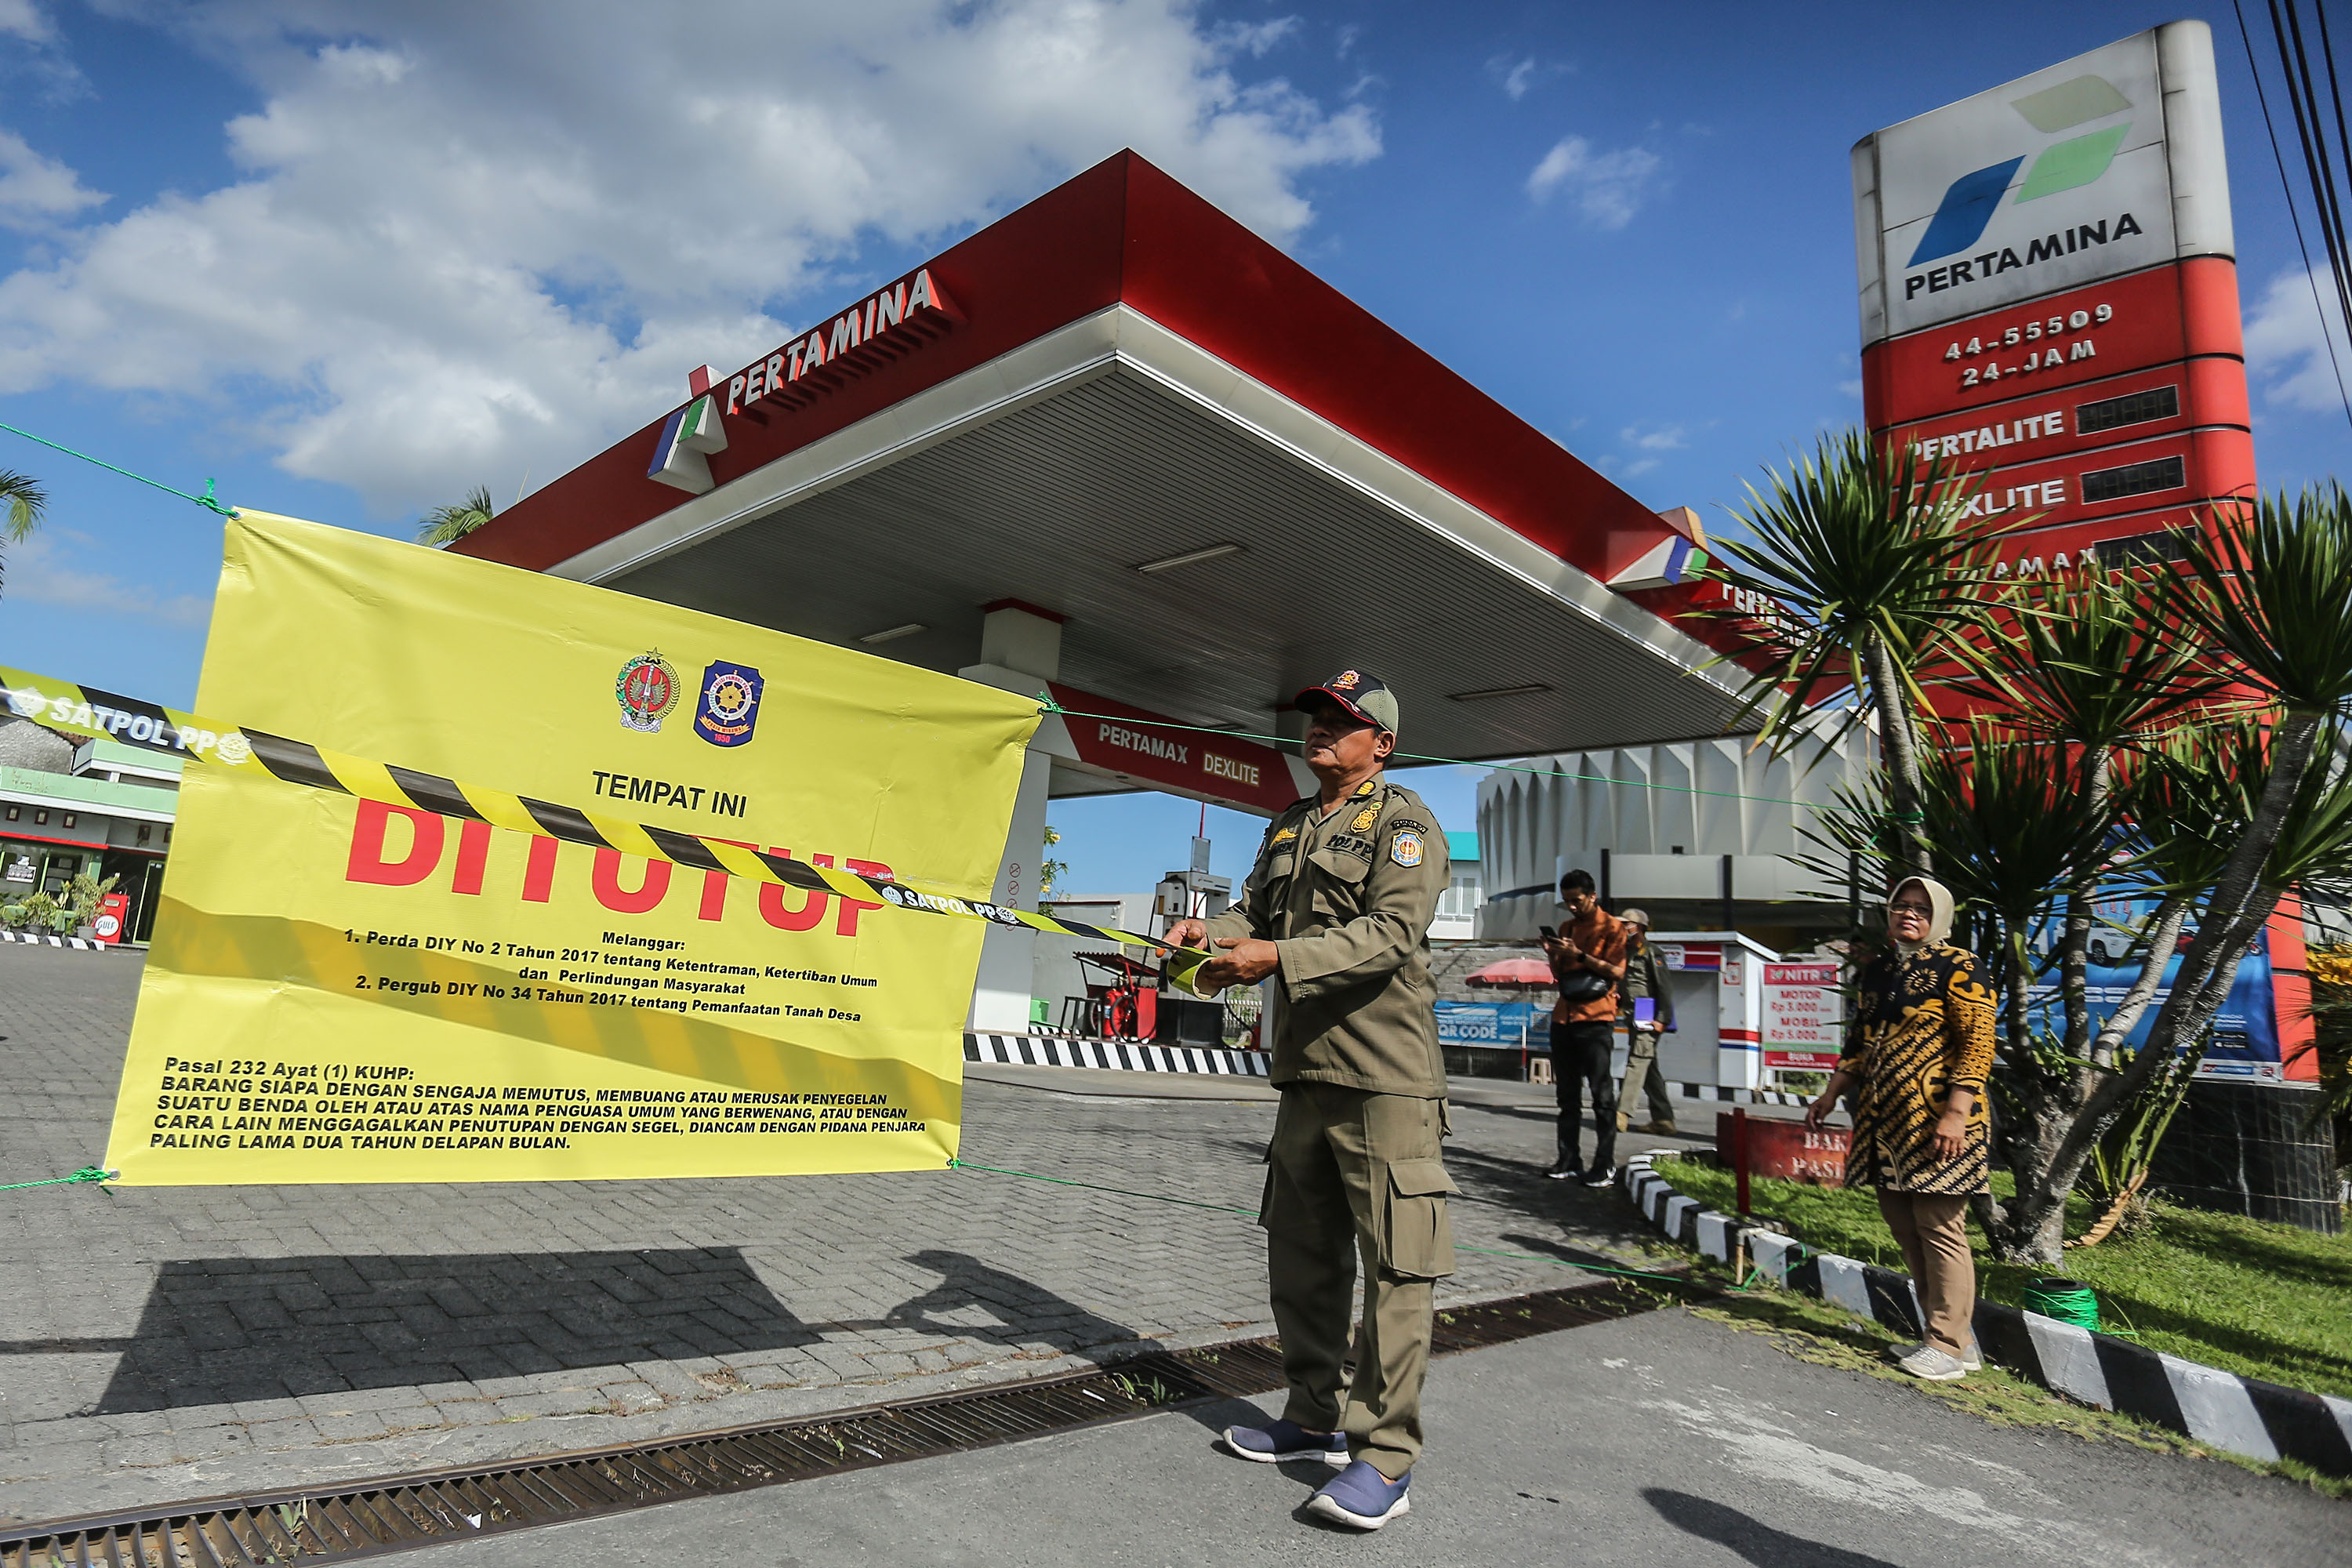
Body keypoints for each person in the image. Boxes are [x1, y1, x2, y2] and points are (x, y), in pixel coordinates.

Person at [1163, 670, 1450, 1532]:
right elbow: (1253, 915)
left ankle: (1385, 1456)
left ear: (1382, 745)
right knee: (1302, 1252)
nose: (1321, 728)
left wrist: (1275, 959)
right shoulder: (1289, 823)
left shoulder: (1404, 823)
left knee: (1397, 1266)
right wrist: (1208, 932)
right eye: (1316, 717)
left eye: (1341, 720)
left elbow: (1392, 933)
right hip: (1304, 1074)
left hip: (1385, 1074)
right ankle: (1310, 1415)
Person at [1804, 876, 1997, 1381]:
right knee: (1906, 1228)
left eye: (1921, 908)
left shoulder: (1960, 966)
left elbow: (1978, 1045)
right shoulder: (1880, 969)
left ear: (1940, 916)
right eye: (1901, 906)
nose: (1909, 914)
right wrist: (1831, 1093)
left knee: (1940, 1227)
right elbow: (1859, 1040)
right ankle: (1955, 1338)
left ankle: (1946, 1345)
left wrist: (1955, 1115)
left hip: (1940, 1121)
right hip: (1886, 1124)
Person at [1541, 869, 1626, 1186]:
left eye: (1577, 900)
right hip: (1564, 1016)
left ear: (1593, 896)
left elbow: (1617, 971)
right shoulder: (1566, 928)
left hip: (1596, 1018)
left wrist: (1579, 954)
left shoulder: (1613, 927)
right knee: (1567, 1096)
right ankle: (1569, 1158)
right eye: (1567, 902)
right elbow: (1560, 975)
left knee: (1602, 1096)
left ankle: (1604, 1164)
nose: (1572, 907)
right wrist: (1554, 955)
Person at [1614, 907, 1679, 1136]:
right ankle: (1663, 1119)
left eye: (1627, 925)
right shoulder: (1626, 952)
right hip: (1633, 1017)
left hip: (1649, 1018)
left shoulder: (1652, 952)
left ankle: (1621, 1112)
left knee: (1637, 1061)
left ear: (1639, 927)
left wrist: (1662, 1019)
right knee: (1648, 1067)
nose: (1623, 929)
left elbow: (1665, 988)